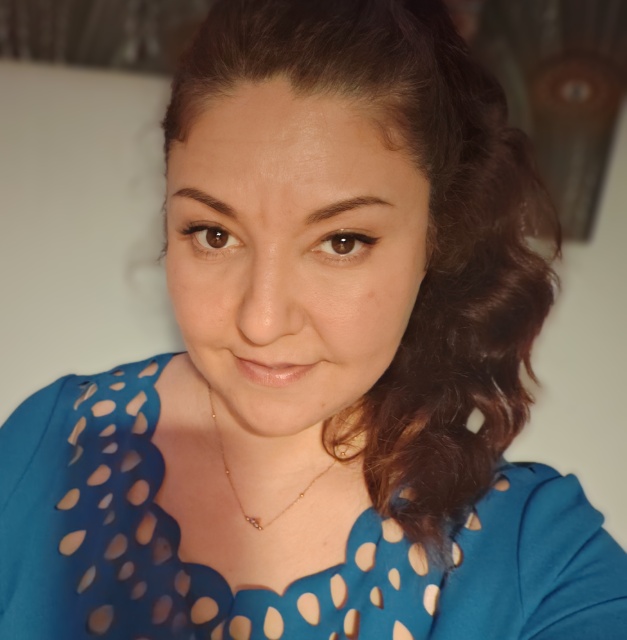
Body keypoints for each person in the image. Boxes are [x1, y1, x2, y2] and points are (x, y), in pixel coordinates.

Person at [1, 0, 626, 638]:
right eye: (214, 234)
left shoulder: (541, 562)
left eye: (341, 242)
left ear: (435, 238)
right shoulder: (47, 446)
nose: (262, 321)